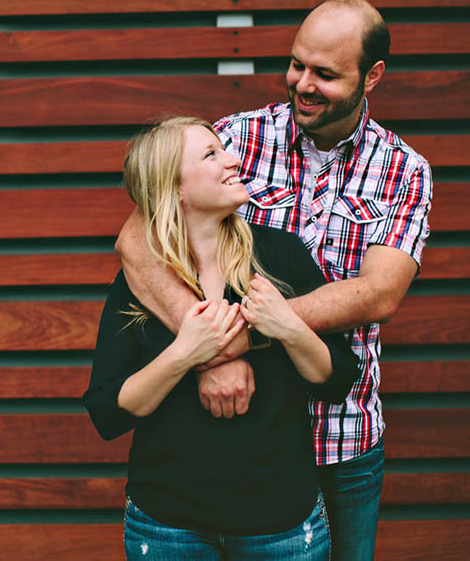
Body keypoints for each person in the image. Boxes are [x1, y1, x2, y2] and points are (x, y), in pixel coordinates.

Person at [116, 0, 432, 561]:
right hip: (231, 432)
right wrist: (210, 351)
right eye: (297, 64)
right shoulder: (234, 137)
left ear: (373, 76)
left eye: (326, 74)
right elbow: (138, 240)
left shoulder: (403, 169)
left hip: (341, 436)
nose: (303, 83)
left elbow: (378, 293)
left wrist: (242, 333)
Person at [84, 116, 359, 560]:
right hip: (169, 524)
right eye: (211, 155)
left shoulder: (279, 255)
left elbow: (337, 378)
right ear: (173, 188)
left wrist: (288, 325)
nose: (233, 160)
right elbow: (108, 412)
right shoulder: (141, 282)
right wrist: (184, 356)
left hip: (282, 523)